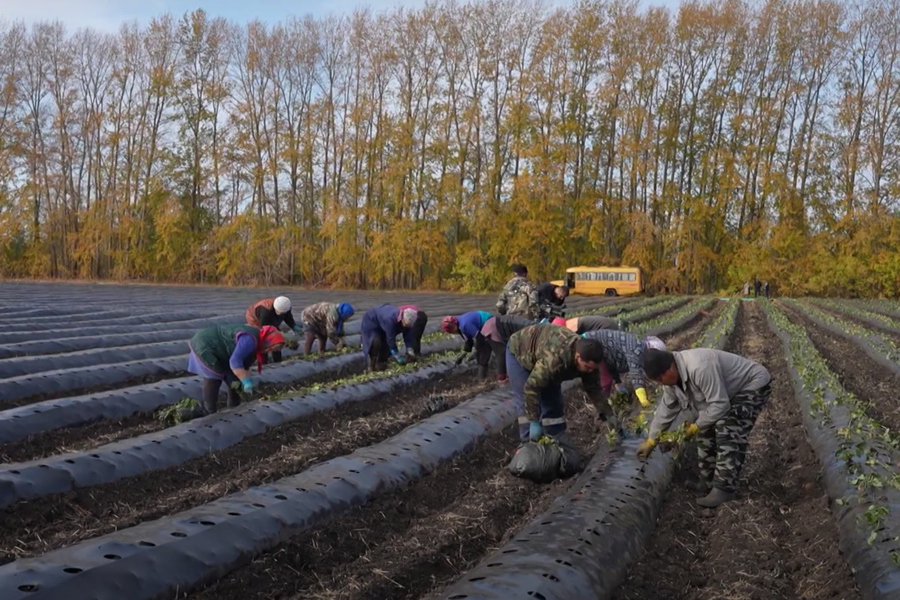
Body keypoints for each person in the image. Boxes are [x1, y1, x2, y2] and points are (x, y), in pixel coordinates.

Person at [637, 348, 772, 508]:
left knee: (727, 427)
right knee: (705, 426)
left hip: (751, 385)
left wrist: (695, 427)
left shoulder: (699, 367)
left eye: (660, 378)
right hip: (727, 393)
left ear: (670, 367)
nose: (660, 383)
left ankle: (724, 489)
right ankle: (707, 482)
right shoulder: (671, 382)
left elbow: (720, 405)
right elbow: (665, 411)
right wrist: (652, 440)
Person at [506, 324, 613, 442]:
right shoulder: (556, 360)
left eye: (593, 368)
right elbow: (531, 388)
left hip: (544, 354)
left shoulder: (589, 359)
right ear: (578, 357)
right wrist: (534, 421)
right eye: (587, 367)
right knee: (525, 400)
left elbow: (594, 390)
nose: (590, 371)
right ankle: (529, 443)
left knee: (553, 401)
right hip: (520, 350)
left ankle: (556, 438)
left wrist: (608, 414)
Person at [186, 324, 285, 415]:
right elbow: (235, 361)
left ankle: (234, 408)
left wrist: (245, 379)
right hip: (206, 345)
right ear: (268, 341)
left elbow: (244, 366)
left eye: (272, 350)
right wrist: (246, 381)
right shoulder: (250, 340)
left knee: (235, 381)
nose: (269, 351)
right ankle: (209, 410)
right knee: (214, 378)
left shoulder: (258, 344)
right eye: (270, 348)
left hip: (222, 351)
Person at [580, 329, 663, 408]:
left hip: (594, 345)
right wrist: (642, 398)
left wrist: (617, 382)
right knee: (604, 381)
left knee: (605, 378)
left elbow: (611, 361)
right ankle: (603, 409)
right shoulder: (636, 349)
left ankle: (604, 405)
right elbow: (635, 372)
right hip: (587, 344)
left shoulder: (634, 349)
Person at [360, 304, 427, 371]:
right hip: (372, 322)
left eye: (409, 326)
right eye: (406, 325)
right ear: (402, 319)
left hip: (383, 321)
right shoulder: (390, 319)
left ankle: (382, 363)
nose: (407, 327)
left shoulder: (408, 323)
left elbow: (408, 336)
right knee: (376, 342)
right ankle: (371, 365)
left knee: (385, 349)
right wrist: (397, 355)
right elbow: (390, 339)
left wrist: (410, 350)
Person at [474, 314, 534, 381]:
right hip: (492, 327)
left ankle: (482, 378)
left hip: (490, 325)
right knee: (501, 352)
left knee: (487, 355)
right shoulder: (531, 327)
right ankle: (501, 378)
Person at [245, 296, 301, 363]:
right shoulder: (265, 310)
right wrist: (276, 335)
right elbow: (265, 328)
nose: (281, 314)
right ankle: (263, 361)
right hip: (255, 320)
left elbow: (288, 317)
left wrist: (293, 326)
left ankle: (278, 361)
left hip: (270, 318)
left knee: (277, 340)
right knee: (263, 340)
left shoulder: (286, 306)